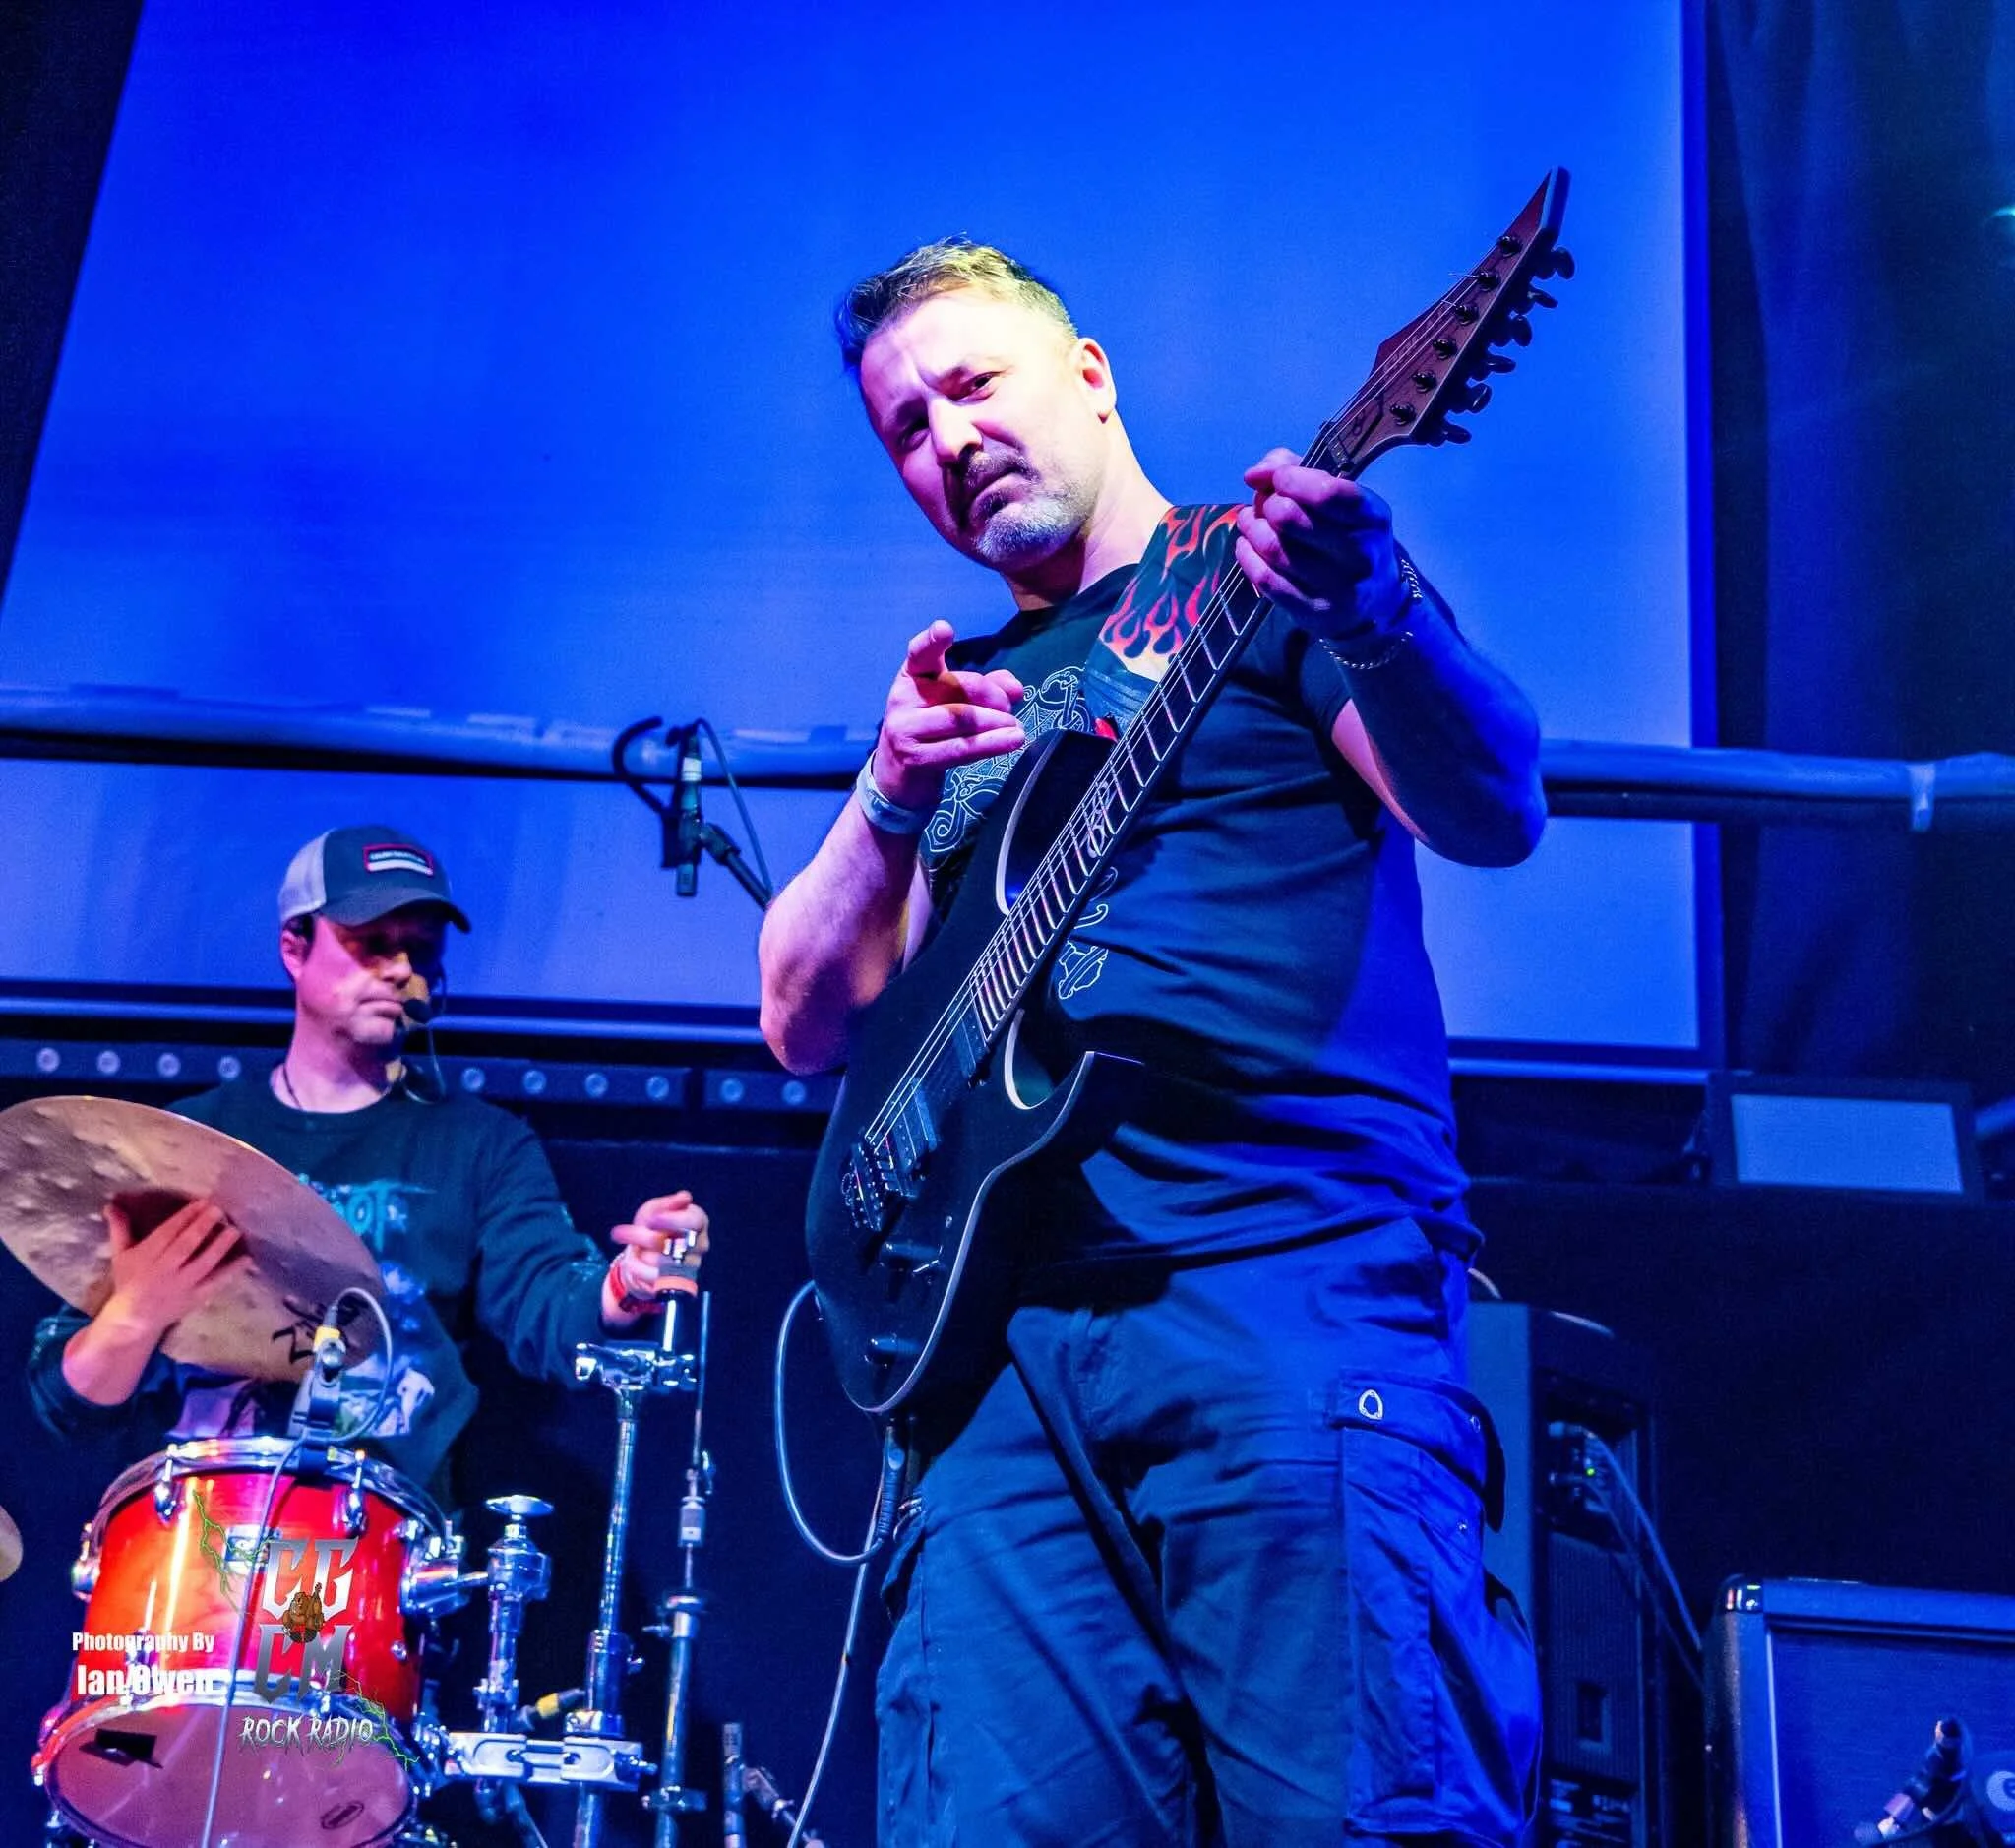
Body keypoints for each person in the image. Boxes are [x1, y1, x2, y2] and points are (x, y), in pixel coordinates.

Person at [758, 242, 1547, 1846]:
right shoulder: (956, 695)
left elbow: (1489, 809)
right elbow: (803, 1021)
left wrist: (1375, 609)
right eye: (904, 429)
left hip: (1280, 1294)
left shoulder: (1260, 577)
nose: (946, 440)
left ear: (1091, 375)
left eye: (970, 386)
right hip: (993, 1380)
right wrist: (889, 791)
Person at [30, 823, 709, 1501]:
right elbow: (67, 1404)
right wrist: (136, 1314)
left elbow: (551, 1308)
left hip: (377, 1545)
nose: (399, 970)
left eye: (419, 949)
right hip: (195, 1535)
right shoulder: (187, 1138)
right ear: (294, 949)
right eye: (371, 944)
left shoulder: (482, 1146)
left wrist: (630, 1279)